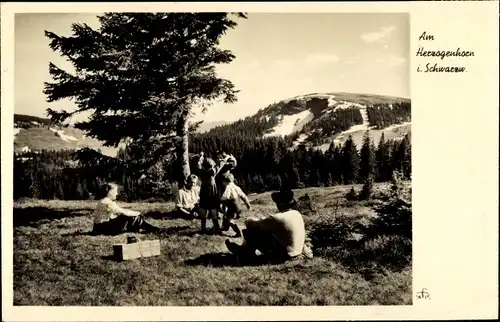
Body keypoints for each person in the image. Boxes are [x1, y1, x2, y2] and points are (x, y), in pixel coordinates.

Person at [225, 189, 313, 263]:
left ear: (279, 205)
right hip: (297, 252)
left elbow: (252, 224)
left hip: (285, 255)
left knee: (251, 231)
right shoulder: (296, 214)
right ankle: (244, 252)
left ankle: (244, 254)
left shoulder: (277, 218)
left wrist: (250, 220)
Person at [92, 183, 163, 235]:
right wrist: (138, 213)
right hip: (103, 229)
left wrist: (134, 213)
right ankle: (154, 229)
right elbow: (124, 213)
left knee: (129, 217)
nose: (117, 193)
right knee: (129, 217)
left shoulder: (103, 201)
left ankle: (145, 229)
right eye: (115, 191)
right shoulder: (107, 202)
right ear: (110, 192)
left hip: (98, 228)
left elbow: (121, 211)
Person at [196, 153, 223, 234]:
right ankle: (217, 229)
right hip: (212, 193)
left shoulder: (201, 172)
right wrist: (221, 160)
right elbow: (219, 165)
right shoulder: (213, 172)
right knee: (214, 211)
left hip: (204, 192)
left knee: (203, 211)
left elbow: (198, 164)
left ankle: (203, 229)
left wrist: (201, 157)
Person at [220, 172, 251, 237]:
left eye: (223, 182)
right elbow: (244, 196)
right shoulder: (237, 187)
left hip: (233, 206)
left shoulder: (228, 187)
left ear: (225, 181)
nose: (222, 184)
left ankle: (238, 232)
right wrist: (248, 205)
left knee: (230, 220)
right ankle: (225, 228)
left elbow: (225, 197)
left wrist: (219, 200)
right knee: (227, 218)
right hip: (239, 206)